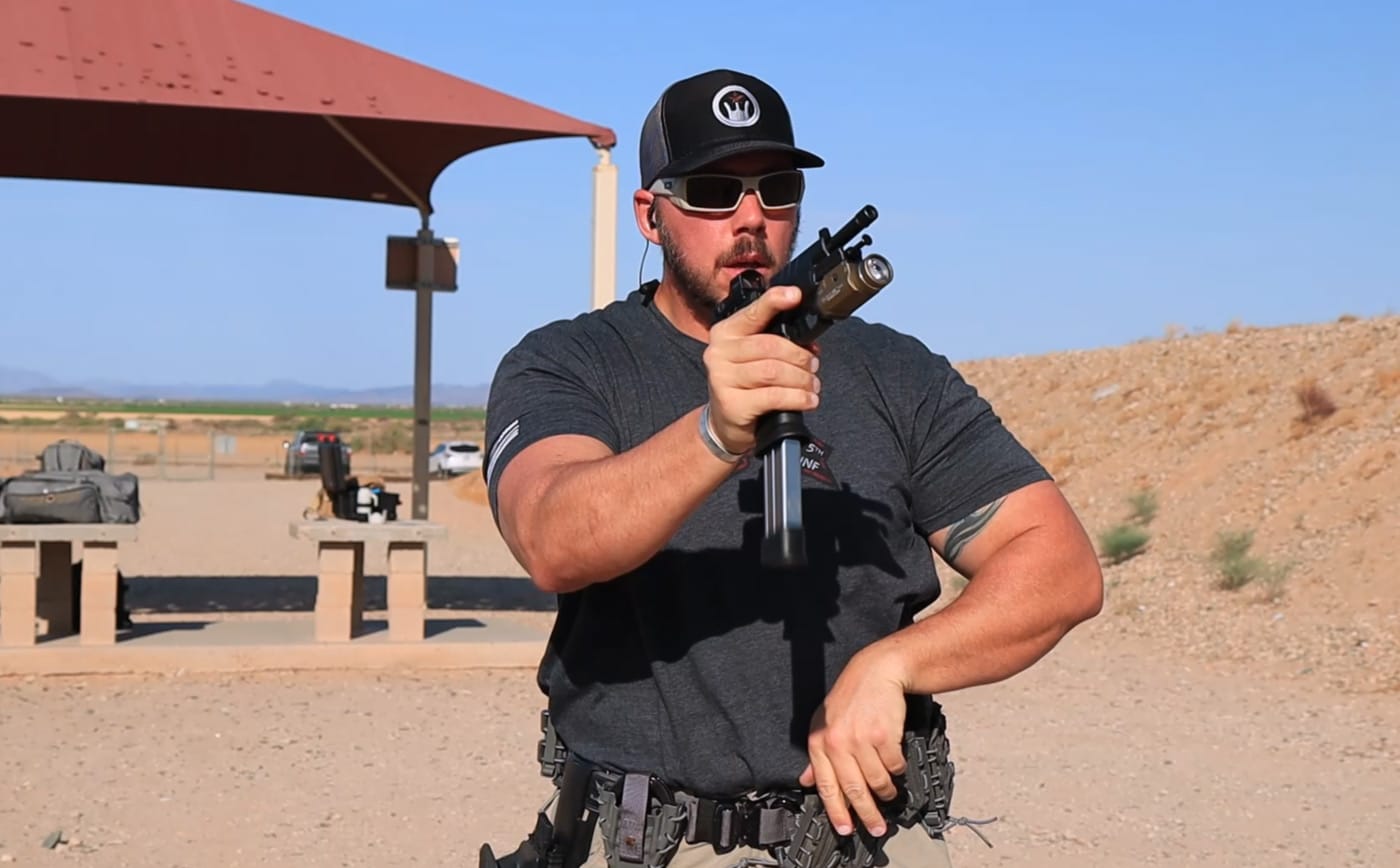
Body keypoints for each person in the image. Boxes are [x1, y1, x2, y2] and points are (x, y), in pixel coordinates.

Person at [479, 68, 1104, 868]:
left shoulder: (897, 373)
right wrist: (713, 433)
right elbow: (552, 536)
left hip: (862, 841)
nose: (749, 218)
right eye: (711, 190)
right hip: (646, 842)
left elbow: (1060, 568)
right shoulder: (571, 362)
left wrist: (893, 666)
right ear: (650, 213)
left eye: (775, 188)